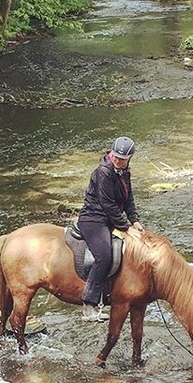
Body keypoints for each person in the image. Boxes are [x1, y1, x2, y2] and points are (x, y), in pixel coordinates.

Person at [77, 136, 145, 321]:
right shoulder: (104, 172)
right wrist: (126, 227)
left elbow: (128, 199)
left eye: (122, 159)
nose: (117, 160)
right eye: (115, 156)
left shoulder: (125, 172)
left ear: (129, 158)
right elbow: (108, 204)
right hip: (94, 219)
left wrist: (135, 220)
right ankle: (89, 303)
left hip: (109, 219)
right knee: (104, 255)